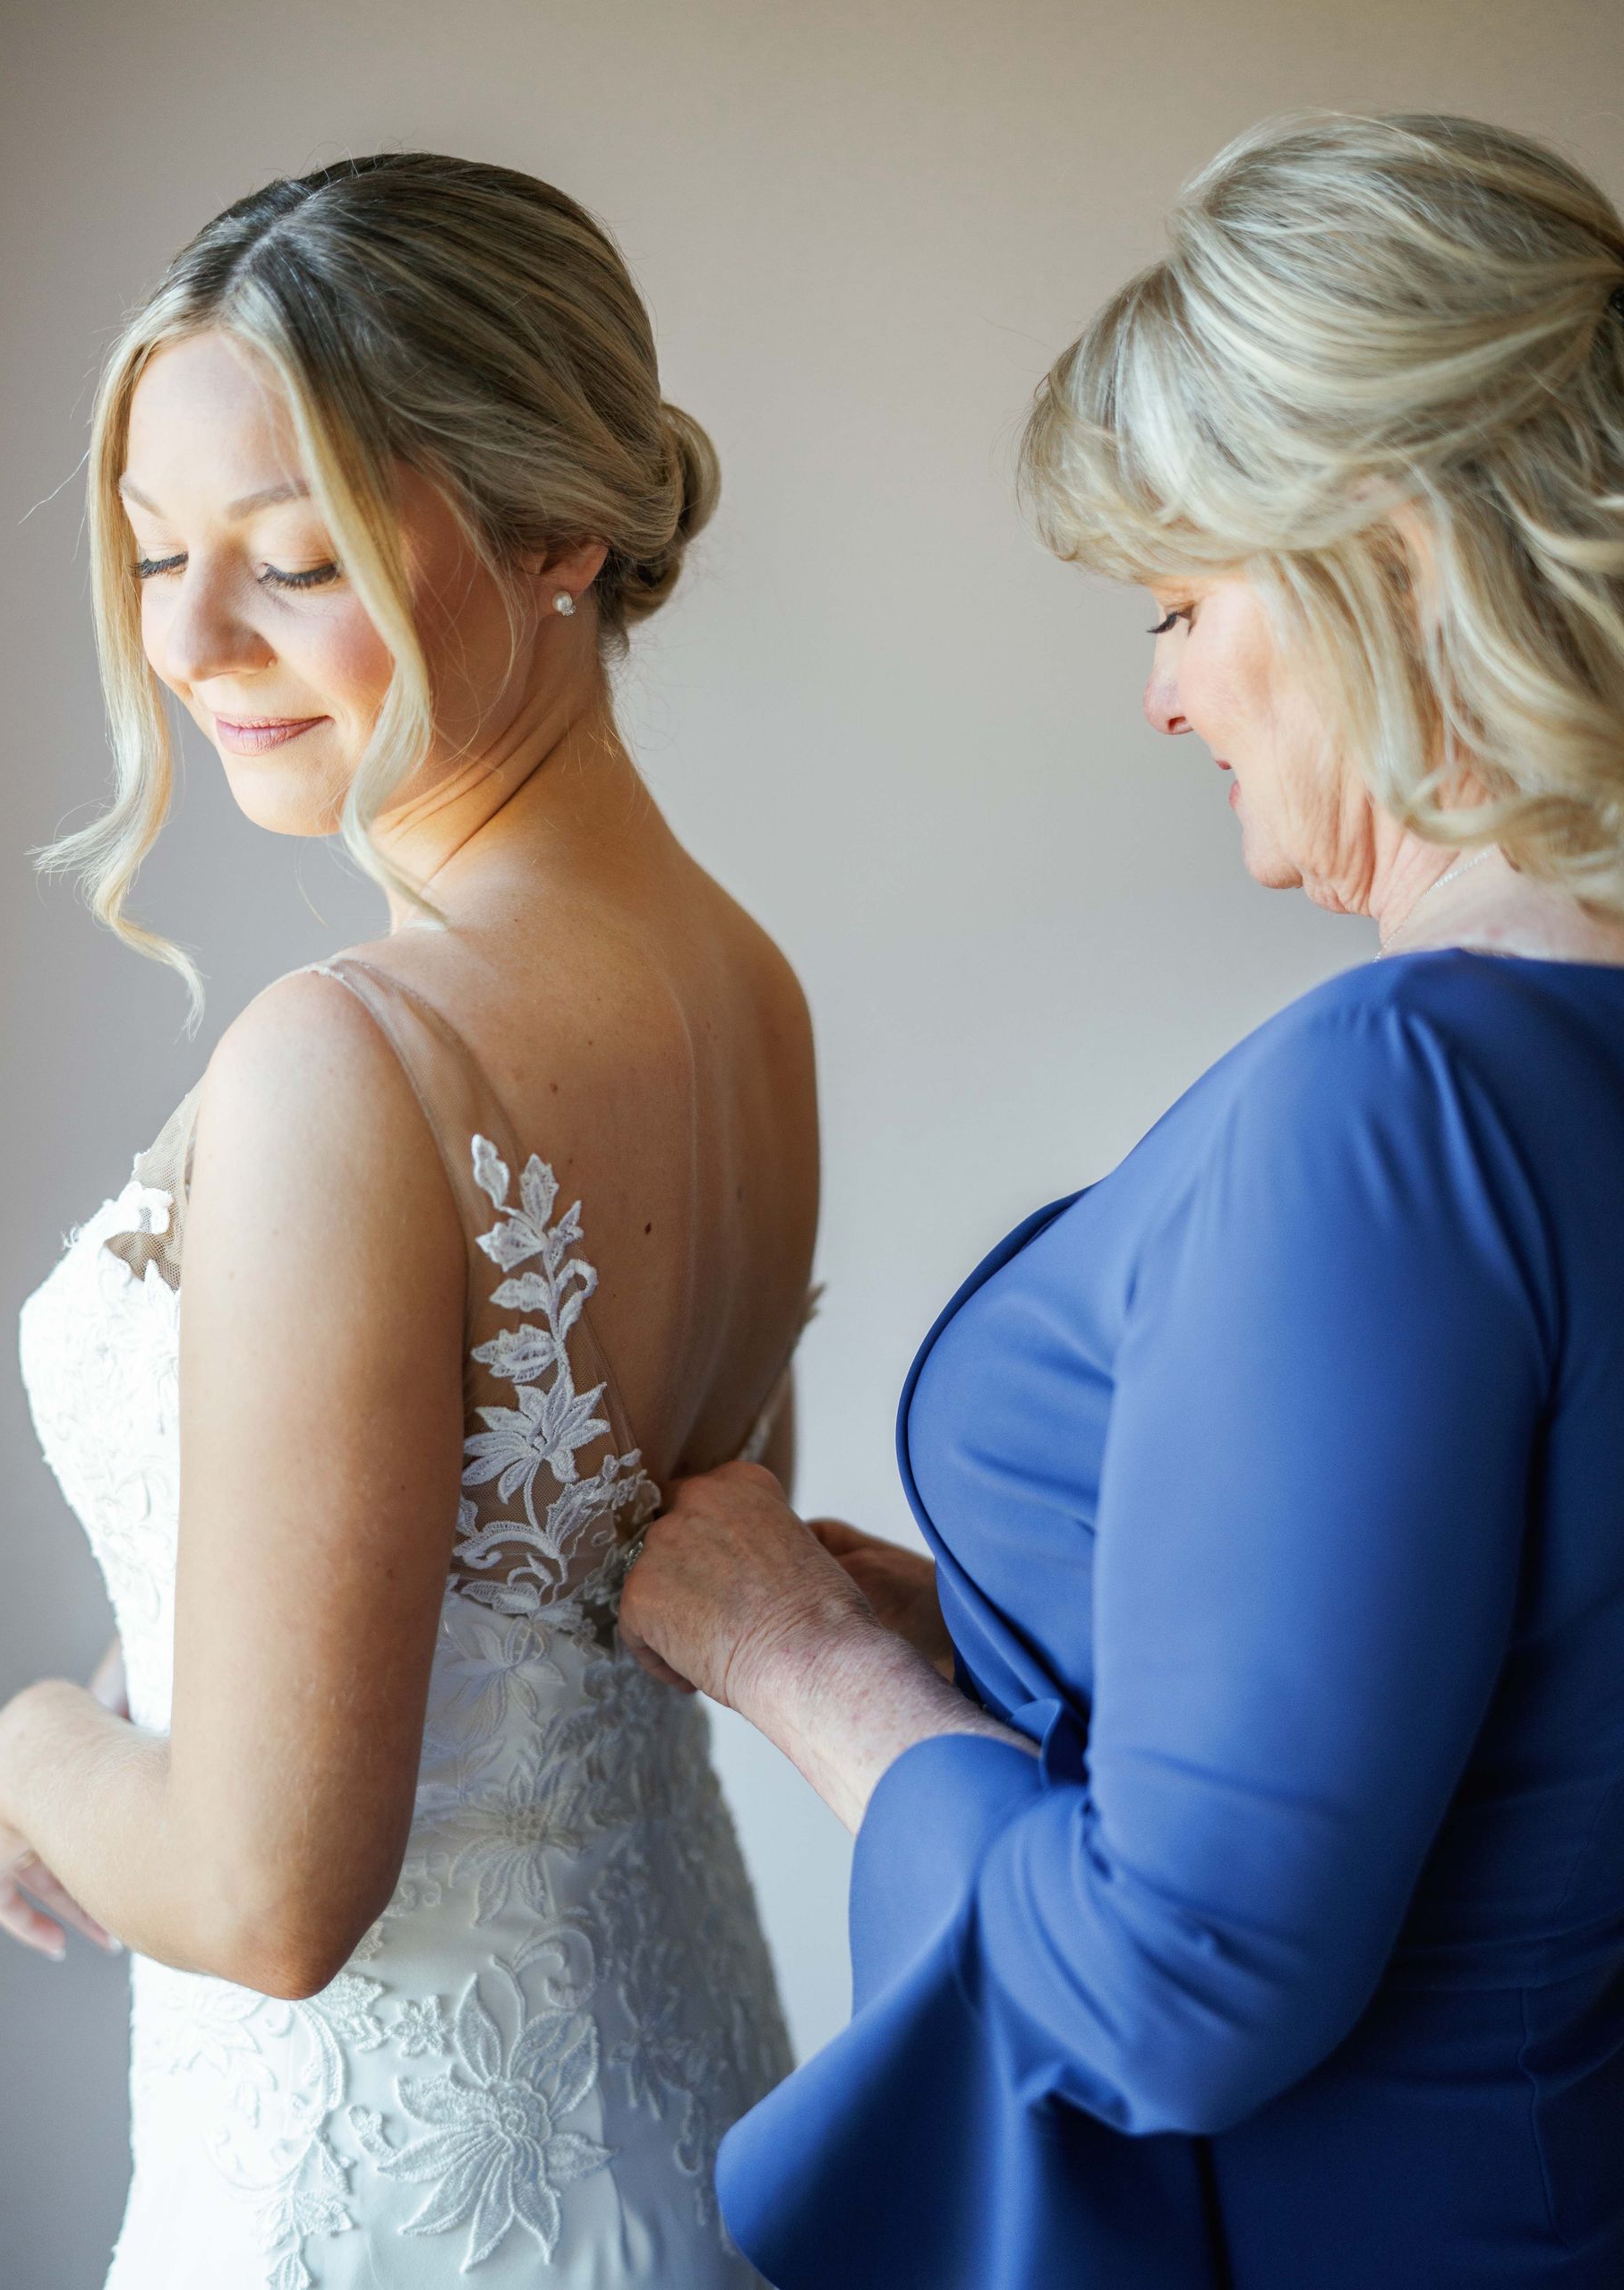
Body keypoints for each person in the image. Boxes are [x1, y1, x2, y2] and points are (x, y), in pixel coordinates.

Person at [620, 113, 1624, 2287]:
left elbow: (1175, 1987)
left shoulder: (1408, 1096)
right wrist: (988, 1645)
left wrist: (803, 1665)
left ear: (1385, 547)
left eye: (1180, 603)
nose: (1161, 694)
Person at [0, 153, 816, 2289]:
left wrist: (29, 1748)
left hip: (374, 2207)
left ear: (557, 529)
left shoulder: (356, 1056)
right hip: (685, 2115)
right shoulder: (741, 981)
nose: (190, 641)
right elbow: (588, 1606)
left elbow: (270, 1891)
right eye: (158, 554)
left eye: (294, 555)